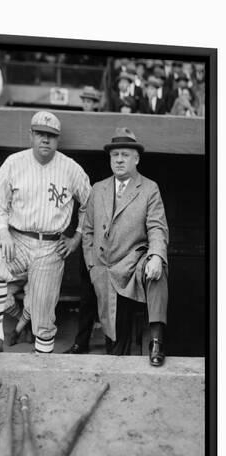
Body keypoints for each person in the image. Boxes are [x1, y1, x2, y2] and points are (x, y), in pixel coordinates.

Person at [0, 111, 91, 355]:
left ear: (57, 139)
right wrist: (3, 233)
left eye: (51, 135)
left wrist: (76, 238)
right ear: (31, 135)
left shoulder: (71, 169)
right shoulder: (13, 163)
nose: (45, 140)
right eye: (40, 133)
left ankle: (42, 362)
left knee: (42, 316)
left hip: (51, 246)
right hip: (17, 238)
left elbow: (88, 205)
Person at [82, 128, 169, 366]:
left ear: (136, 159)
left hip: (133, 265)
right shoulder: (99, 188)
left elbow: (157, 228)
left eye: (125, 155)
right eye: (115, 155)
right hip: (104, 270)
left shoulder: (149, 188)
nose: (119, 160)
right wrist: (92, 265)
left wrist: (156, 256)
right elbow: (88, 230)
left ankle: (156, 341)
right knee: (115, 346)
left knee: (159, 271)